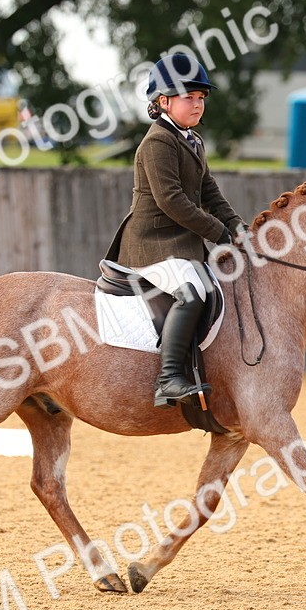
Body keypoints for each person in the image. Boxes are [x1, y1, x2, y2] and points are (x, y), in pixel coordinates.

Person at [105, 52, 246, 407]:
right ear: (163, 101)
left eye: (201, 98)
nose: (197, 104)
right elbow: (172, 201)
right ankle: (168, 379)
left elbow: (209, 190)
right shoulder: (157, 142)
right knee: (193, 292)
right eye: (189, 97)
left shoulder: (192, 140)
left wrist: (236, 225)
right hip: (152, 244)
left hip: (180, 243)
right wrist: (219, 233)